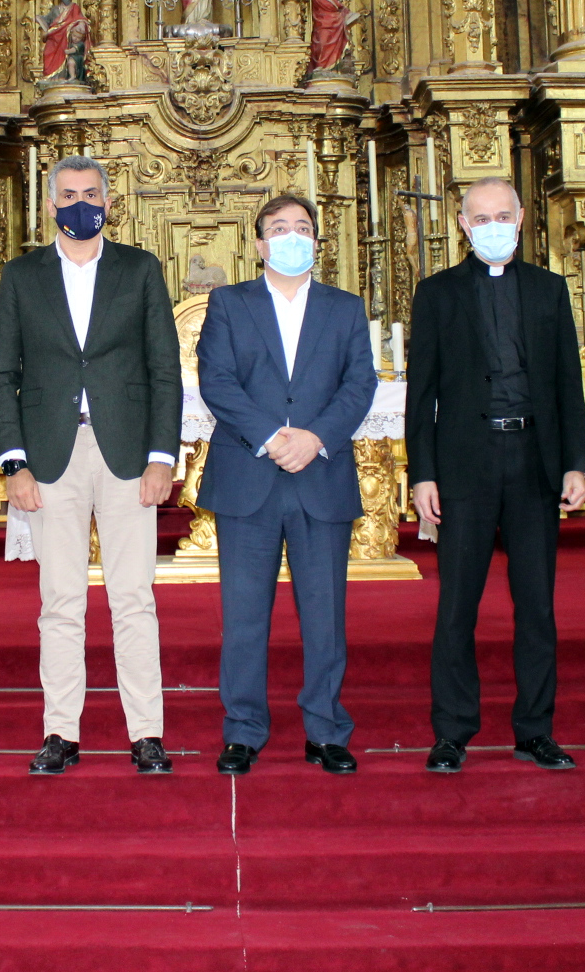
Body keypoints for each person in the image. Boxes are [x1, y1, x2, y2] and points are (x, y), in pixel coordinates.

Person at [0, 155, 183, 775]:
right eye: (67, 194)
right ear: (49, 204)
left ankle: (146, 733)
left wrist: (161, 457)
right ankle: (60, 732)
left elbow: (164, 371)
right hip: (49, 455)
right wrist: (13, 463)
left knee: (134, 598)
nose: (79, 203)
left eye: (90, 193)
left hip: (127, 453)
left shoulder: (140, 269)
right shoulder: (21, 276)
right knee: (60, 599)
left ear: (107, 200)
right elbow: (1, 377)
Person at [407, 177, 585, 774]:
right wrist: (423, 473)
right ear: (462, 224)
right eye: (479, 217)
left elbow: (568, 382)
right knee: (457, 603)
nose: (491, 225)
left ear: (519, 218)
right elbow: (422, 393)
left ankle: (536, 728)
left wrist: (576, 462)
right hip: (465, 463)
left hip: (535, 459)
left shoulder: (549, 289)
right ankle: (452, 730)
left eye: (502, 215)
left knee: (536, 605)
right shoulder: (436, 293)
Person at [195, 194, 378, 776]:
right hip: (250, 473)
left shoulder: (345, 308)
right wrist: (274, 436)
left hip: (319, 473)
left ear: (318, 242)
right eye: (279, 228)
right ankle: (243, 729)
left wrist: (314, 437)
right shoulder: (227, 303)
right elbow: (217, 380)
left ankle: (325, 729)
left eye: (303, 227)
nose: (292, 235)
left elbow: (359, 384)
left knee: (325, 614)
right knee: (245, 614)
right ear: (258, 244)